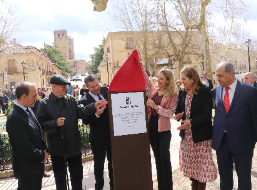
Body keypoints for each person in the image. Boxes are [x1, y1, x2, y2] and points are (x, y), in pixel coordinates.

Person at [36, 74, 107, 190]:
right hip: (57, 150)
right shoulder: (44, 104)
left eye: (66, 86)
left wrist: (94, 105)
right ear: (54, 87)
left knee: (77, 178)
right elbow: (40, 125)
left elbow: (82, 112)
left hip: (74, 147)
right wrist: (54, 123)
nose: (65, 88)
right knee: (60, 180)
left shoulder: (71, 100)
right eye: (62, 86)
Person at [212, 62, 257, 190]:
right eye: (216, 75)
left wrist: (254, 138)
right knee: (224, 179)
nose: (217, 79)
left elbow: (255, 116)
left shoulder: (249, 91)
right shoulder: (216, 90)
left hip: (243, 141)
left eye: (220, 75)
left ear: (230, 74)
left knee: (243, 178)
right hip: (221, 141)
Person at [175, 66, 217, 190]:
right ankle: (194, 186)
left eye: (184, 79)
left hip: (201, 136)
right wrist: (178, 115)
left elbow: (207, 114)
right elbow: (179, 109)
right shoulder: (182, 91)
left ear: (192, 79)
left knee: (201, 168)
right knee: (190, 166)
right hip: (187, 136)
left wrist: (191, 122)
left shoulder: (204, 91)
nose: (182, 81)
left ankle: (199, 188)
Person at [6, 82, 48, 190]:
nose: (36, 98)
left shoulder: (28, 109)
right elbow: (23, 145)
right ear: (24, 96)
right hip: (27, 170)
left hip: (36, 166)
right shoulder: (15, 117)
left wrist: (44, 150)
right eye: (34, 96)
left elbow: (37, 133)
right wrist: (41, 155)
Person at [143, 66, 177, 190]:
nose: (158, 80)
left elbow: (170, 113)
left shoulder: (173, 94)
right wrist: (140, 66)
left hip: (164, 129)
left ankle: (168, 186)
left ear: (168, 81)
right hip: (152, 125)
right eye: (158, 77)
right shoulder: (153, 88)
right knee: (157, 157)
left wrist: (157, 107)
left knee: (165, 156)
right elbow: (146, 78)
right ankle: (161, 186)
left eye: (161, 78)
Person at [79, 74, 114, 190]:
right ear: (87, 87)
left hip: (112, 136)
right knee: (99, 165)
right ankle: (99, 186)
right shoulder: (84, 101)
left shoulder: (105, 90)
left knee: (112, 163)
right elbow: (85, 121)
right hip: (98, 138)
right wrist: (96, 115)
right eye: (93, 87)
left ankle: (114, 186)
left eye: (97, 84)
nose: (96, 88)